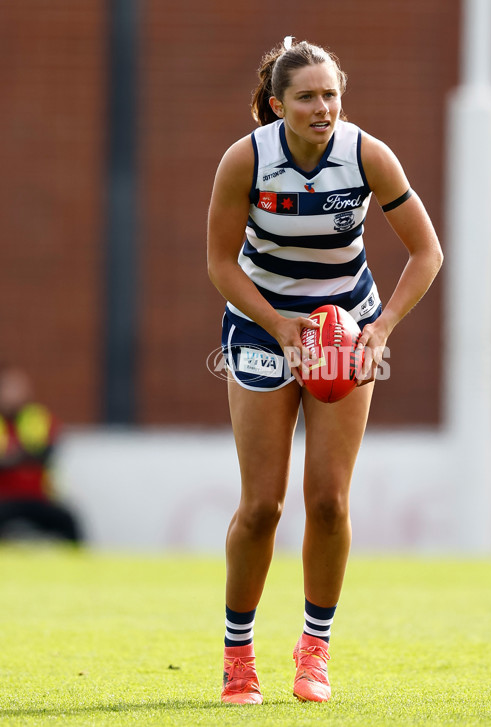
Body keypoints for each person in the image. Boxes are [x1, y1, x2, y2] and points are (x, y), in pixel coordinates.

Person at [207, 38, 443, 705]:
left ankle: (314, 650)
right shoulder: (245, 160)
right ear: (278, 104)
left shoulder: (367, 155)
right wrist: (280, 325)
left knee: (330, 500)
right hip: (261, 326)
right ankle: (238, 654)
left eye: (331, 94)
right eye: (307, 97)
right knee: (261, 506)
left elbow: (426, 252)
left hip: (346, 330)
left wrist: (381, 329)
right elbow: (221, 264)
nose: (322, 108)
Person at [0, 364, 83, 544]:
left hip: (39, 497)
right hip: (4, 498)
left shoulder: (39, 418)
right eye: (9, 388)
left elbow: (48, 454)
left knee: (68, 520)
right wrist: (27, 455)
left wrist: (12, 458)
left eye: (19, 388)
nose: (14, 395)